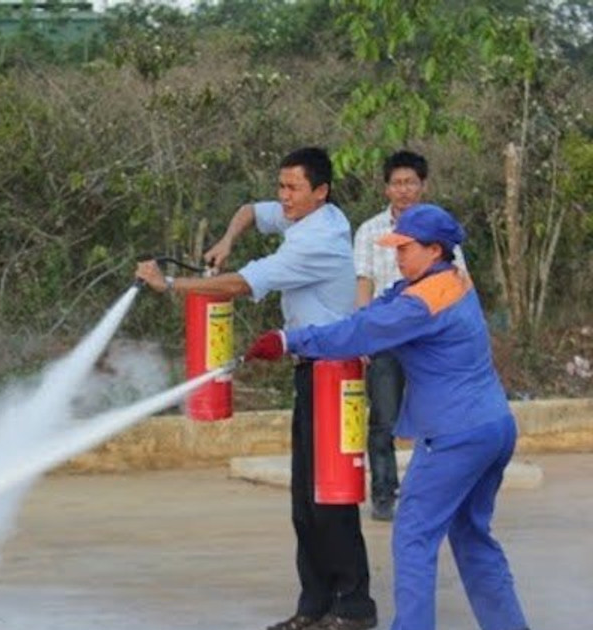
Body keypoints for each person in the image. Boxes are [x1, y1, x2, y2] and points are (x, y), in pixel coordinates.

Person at [245, 204, 529, 630]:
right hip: (494, 426)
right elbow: (377, 312)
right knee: (472, 537)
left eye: (405, 248)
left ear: (434, 249)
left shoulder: (422, 303)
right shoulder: (450, 279)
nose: (397, 256)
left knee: (414, 538)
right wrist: (355, 330)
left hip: (455, 436)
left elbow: (362, 331)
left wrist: (289, 339)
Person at [136, 147, 377, 630]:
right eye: (281, 186)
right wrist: (227, 239)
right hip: (312, 371)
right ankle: (313, 607)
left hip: (336, 374)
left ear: (321, 191)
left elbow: (239, 287)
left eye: (293, 188)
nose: (283, 197)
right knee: (305, 500)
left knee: (332, 496)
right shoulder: (309, 217)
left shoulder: (319, 242)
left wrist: (169, 285)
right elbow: (250, 209)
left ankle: (353, 607)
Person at [353, 150, 467, 522]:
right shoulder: (370, 231)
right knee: (383, 417)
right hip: (387, 336)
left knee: (437, 416)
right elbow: (364, 284)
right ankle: (384, 494)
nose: (404, 190)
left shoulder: (440, 228)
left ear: (423, 186)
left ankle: (433, 492)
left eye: (411, 183)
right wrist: (364, 335)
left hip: (431, 339)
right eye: (397, 183)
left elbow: (459, 282)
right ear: (386, 188)